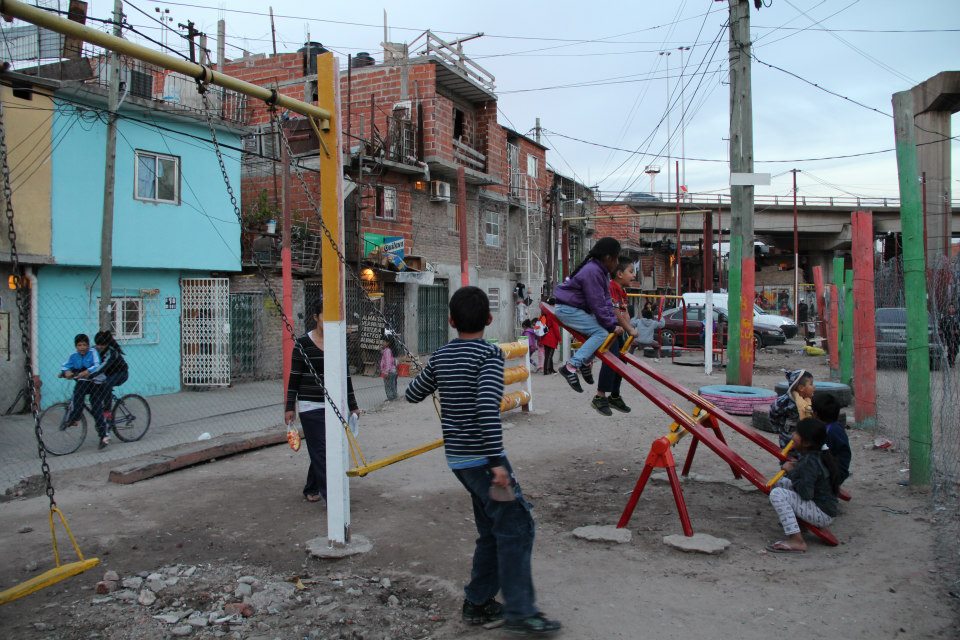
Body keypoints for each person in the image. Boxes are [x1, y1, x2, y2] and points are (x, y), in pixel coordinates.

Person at [405, 286, 561, 635]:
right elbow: (487, 410)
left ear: (450, 321)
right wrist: (497, 464)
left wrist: (434, 372)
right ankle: (520, 611)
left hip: (459, 461)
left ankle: (477, 603)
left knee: (493, 530)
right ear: (489, 320)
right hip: (482, 459)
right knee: (518, 528)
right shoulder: (488, 356)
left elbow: (413, 394)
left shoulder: (443, 355)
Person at [285, 300, 361, 503]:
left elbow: (345, 377)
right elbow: (294, 376)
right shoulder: (302, 344)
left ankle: (311, 487)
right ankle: (333, 498)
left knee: (325, 448)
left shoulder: (337, 342)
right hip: (310, 405)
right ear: (316, 317)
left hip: (334, 405)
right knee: (322, 451)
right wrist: (289, 406)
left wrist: (353, 405)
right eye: (325, 315)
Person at [553, 237, 624, 393]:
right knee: (601, 333)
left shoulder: (601, 272)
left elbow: (605, 301)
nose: (617, 262)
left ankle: (585, 362)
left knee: (604, 331)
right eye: (616, 257)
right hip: (568, 309)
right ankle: (571, 366)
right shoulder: (593, 272)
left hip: (575, 309)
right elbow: (597, 304)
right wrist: (612, 325)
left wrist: (613, 323)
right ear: (607, 257)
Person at [766, 418, 841, 553]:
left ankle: (797, 541)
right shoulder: (815, 454)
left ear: (806, 442)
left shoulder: (811, 462)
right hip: (820, 507)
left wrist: (793, 472)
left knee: (777, 494)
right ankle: (800, 525)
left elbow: (806, 494)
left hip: (822, 513)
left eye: (797, 433)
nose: (793, 435)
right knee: (780, 482)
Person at [592, 258, 639, 416]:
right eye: (631, 272)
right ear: (619, 274)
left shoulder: (622, 290)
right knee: (611, 360)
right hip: (608, 329)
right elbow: (615, 312)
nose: (634, 275)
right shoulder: (612, 286)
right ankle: (600, 396)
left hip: (618, 330)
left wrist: (629, 326)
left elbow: (624, 312)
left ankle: (614, 395)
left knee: (622, 360)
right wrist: (630, 329)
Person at [87, 330, 129, 450]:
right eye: (97, 344)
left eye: (102, 345)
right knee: (99, 387)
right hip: (107, 375)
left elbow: (102, 367)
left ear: (107, 344)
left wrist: (90, 374)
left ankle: (107, 412)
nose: (99, 347)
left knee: (106, 384)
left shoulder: (112, 352)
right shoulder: (94, 350)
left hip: (121, 373)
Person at [60, 333, 100, 430]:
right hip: (82, 381)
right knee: (78, 395)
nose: (82, 348)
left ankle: (75, 418)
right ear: (75, 346)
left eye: (84, 345)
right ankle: (75, 416)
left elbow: (97, 365)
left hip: (95, 381)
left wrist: (87, 371)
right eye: (79, 345)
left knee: (79, 395)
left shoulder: (93, 352)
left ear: (88, 345)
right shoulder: (73, 356)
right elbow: (65, 366)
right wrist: (66, 372)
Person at [768, 369, 815, 449]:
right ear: (801, 388)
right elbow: (773, 412)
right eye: (811, 384)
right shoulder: (785, 402)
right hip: (788, 439)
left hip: (805, 440)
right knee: (788, 458)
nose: (814, 387)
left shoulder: (808, 401)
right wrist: (777, 428)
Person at [813, 394, 851, 485]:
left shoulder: (829, 432)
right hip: (835, 468)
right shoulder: (834, 426)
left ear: (815, 414)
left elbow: (821, 455)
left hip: (835, 473)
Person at [539, 298, 561, 375]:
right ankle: (546, 370)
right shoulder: (552, 314)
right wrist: (559, 338)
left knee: (548, 355)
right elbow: (556, 328)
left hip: (545, 336)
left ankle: (551, 369)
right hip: (551, 337)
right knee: (549, 356)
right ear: (554, 304)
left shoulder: (544, 313)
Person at [939, 302, 959, 368]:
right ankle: (950, 362)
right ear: (948, 309)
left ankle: (952, 360)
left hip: (956, 336)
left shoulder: (957, 318)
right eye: (950, 308)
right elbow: (941, 327)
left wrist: (957, 331)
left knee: (956, 349)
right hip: (948, 336)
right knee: (950, 348)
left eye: (953, 307)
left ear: (955, 309)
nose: (951, 309)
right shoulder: (945, 318)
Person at [380, 334, 398, 401]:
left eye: (384, 341)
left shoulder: (387, 351)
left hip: (388, 372)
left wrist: (386, 372)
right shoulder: (390, 350)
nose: (382, 343)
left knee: (388, 386)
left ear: (388, 343)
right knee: (392, 386)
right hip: (393, 371)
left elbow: (388, 362)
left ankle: (390, 399)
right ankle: (394, 398)